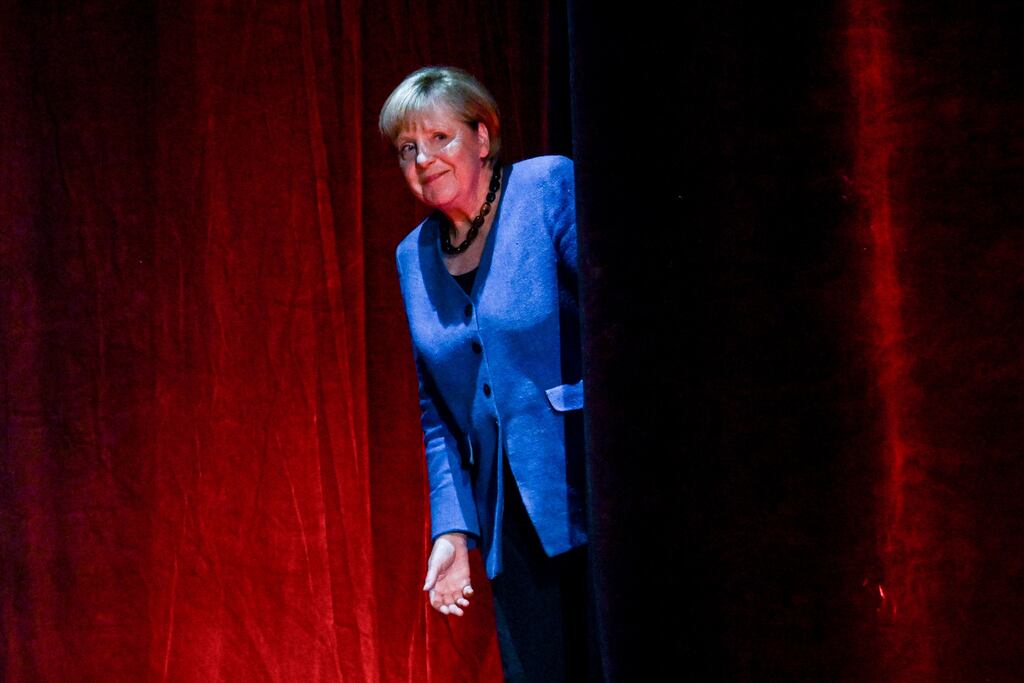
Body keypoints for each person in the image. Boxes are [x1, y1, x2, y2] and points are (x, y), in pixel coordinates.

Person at [380, 66, 590, 681]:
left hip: (588, 485)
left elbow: (618, 330)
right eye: (407, 149)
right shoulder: (412, 257)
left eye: (440, 138)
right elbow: (438, 414)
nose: (424, 161)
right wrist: (453, 530)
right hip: (509, 518)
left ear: (482, 134)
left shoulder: (546, 186)